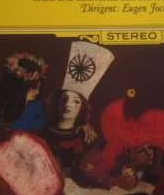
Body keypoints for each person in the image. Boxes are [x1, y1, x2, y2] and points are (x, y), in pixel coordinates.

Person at [42, 41, 114, 178]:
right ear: (57, 102)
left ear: (82, 107)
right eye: (64, 98)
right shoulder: (42, 133)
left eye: (76, 101)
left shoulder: (88, 138)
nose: (68, 104)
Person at [81, 91, 164, 191]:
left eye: (152, 148)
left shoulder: (159, 163)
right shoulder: (111, 150)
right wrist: (114, 181)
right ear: (130, 151)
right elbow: (85, 171)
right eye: (142, 150)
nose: (150, 154)